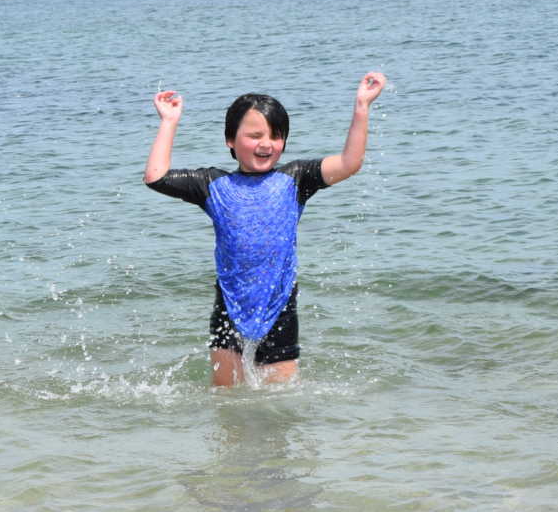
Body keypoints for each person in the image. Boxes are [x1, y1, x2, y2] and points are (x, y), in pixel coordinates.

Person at [144, 72, 387, 386]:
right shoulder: (213, 184)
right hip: (229, 306)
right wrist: (169, 121)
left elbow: (349, 163)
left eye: (275, 135)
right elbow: (156, 176)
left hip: (281, 307)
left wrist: (362, 106)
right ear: (230, 140)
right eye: (254, 135)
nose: (266, 144)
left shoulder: (296, 178)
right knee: (228, 405)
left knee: (278, 408)